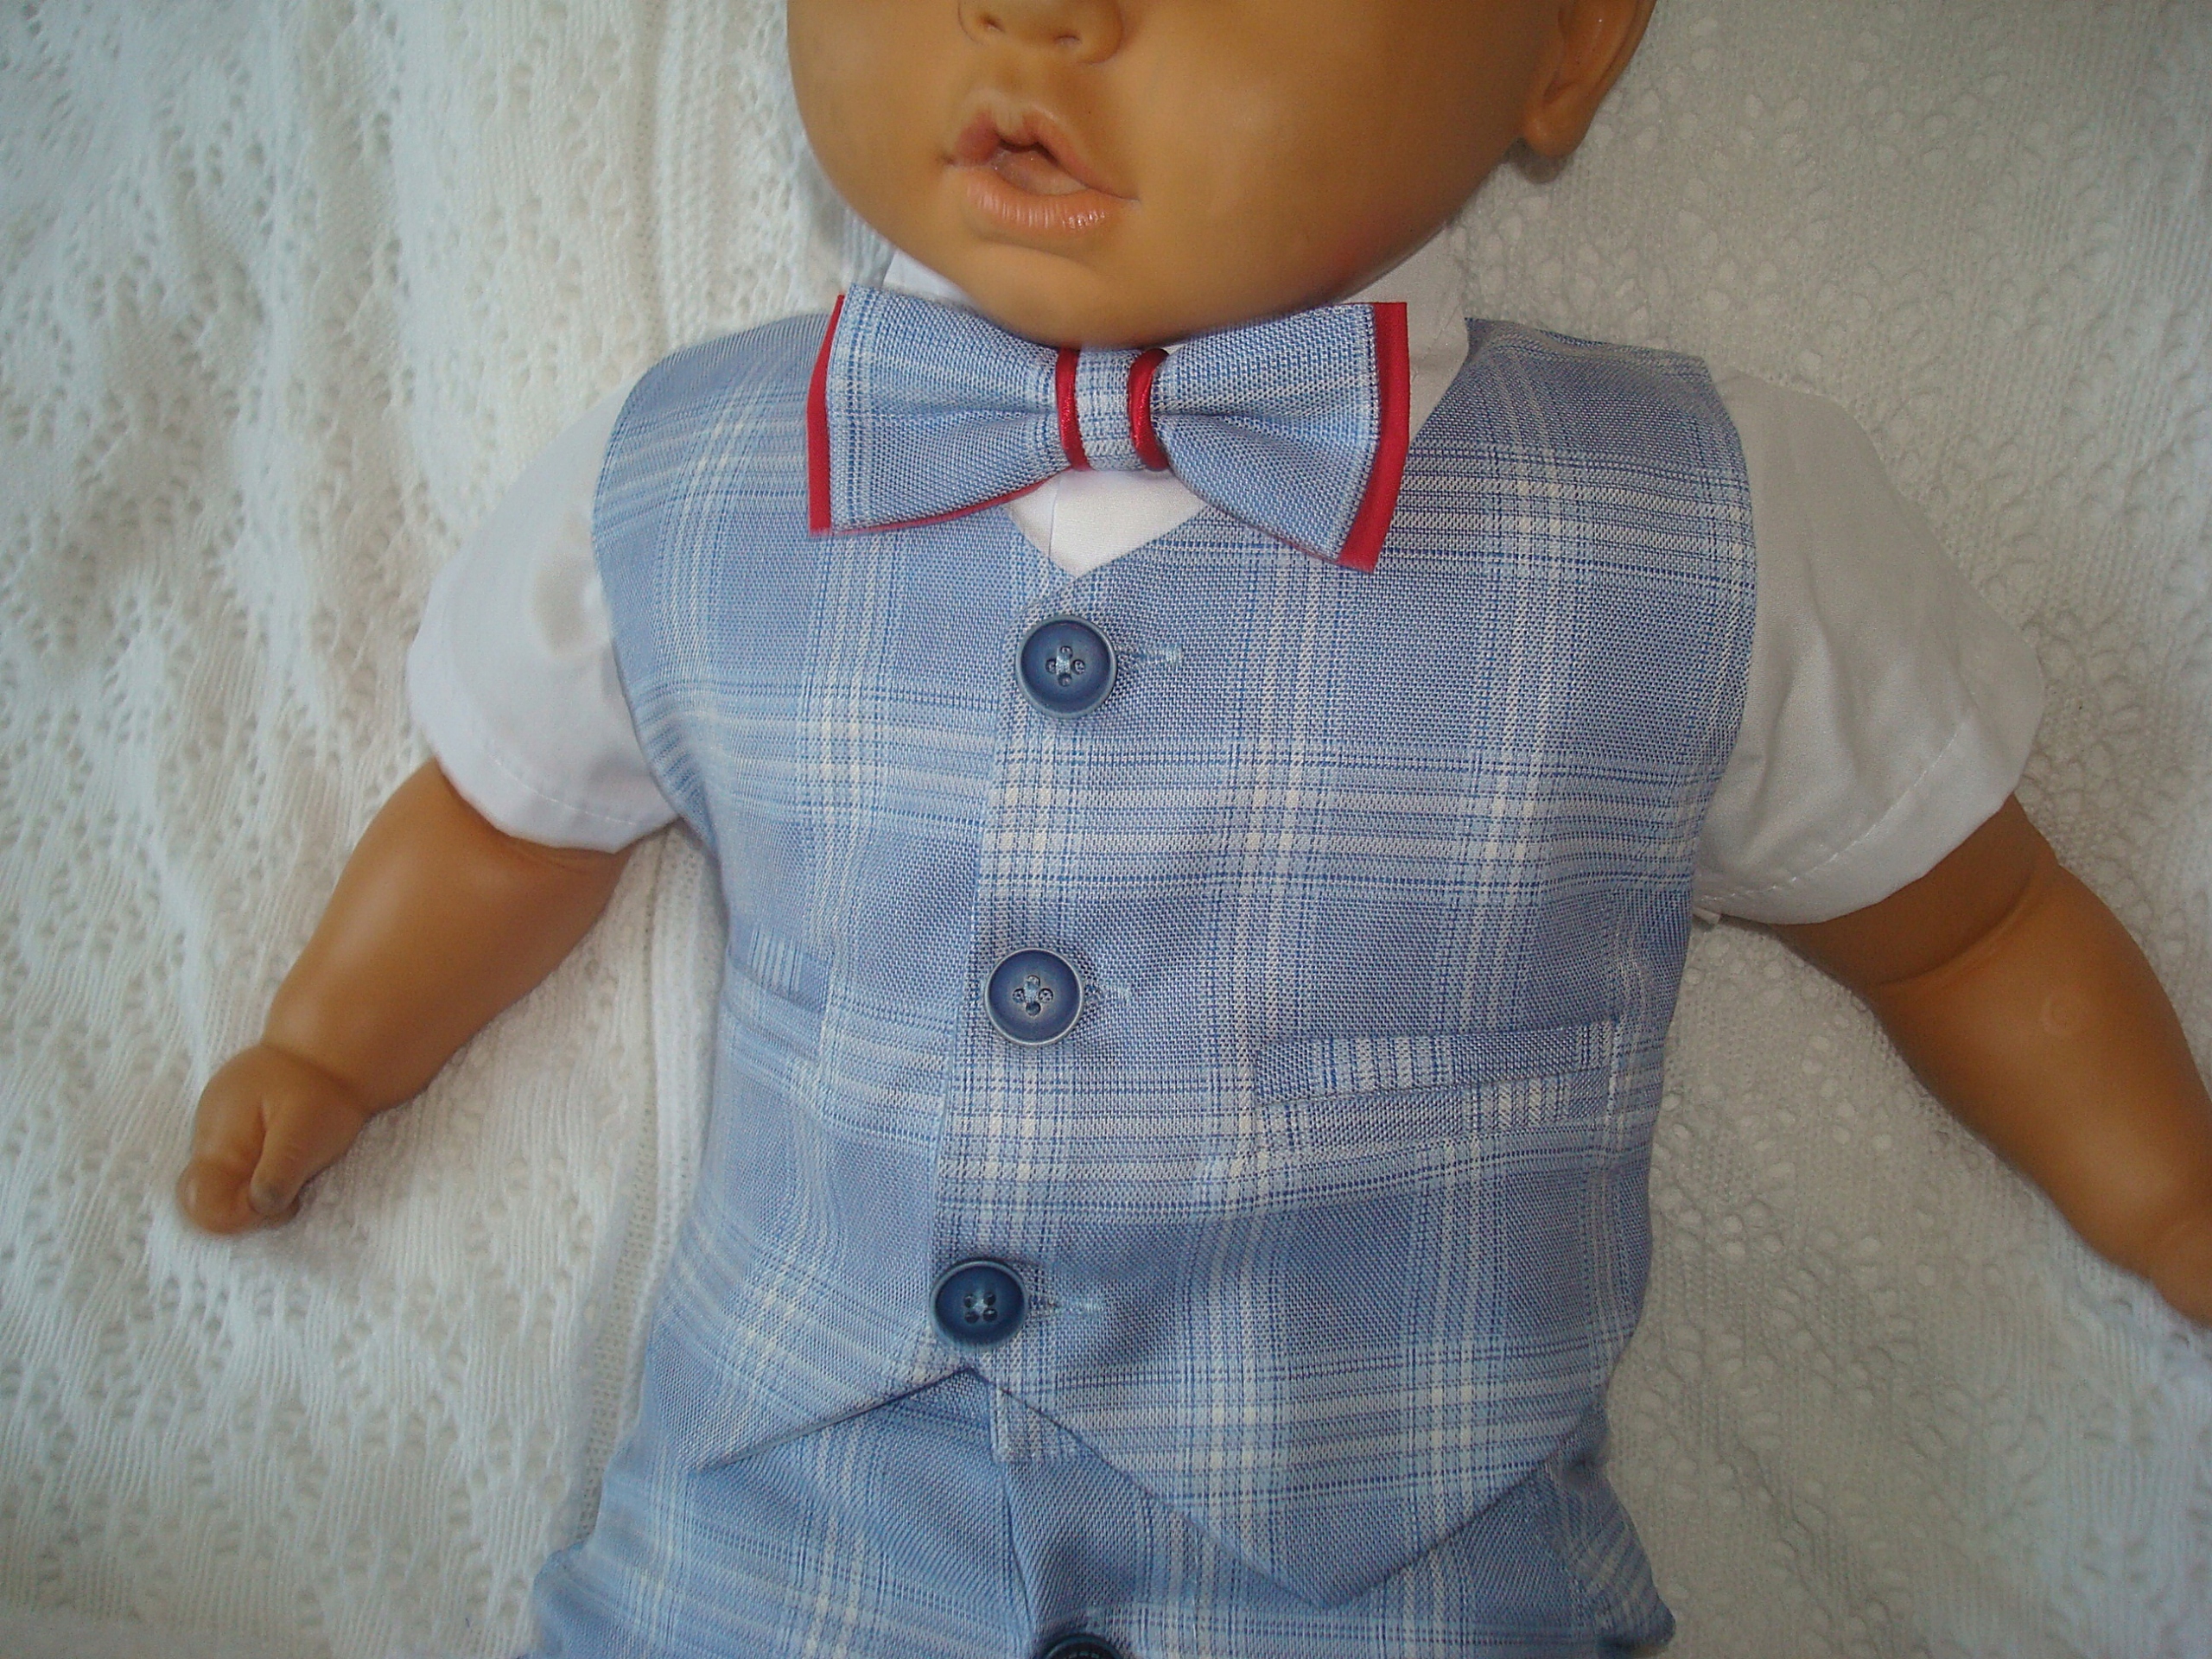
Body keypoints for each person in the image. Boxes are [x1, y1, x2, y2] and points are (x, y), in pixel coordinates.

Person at [176, 2, 2212, 1651]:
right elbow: (502, 824)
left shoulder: (1706, 523)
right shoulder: (685, 471)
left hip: (1400, 1591)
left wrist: (2163, 1190)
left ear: (1564, 44)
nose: (1034, 15)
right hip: (766, 1568)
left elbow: (1967, 925)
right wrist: (332, 1048)